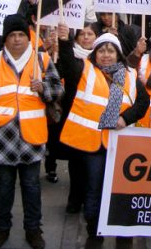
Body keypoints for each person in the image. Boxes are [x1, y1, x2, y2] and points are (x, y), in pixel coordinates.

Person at [0, 14, 63, 249]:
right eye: (12, 35)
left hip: (32, 136)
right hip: (2, 137)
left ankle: (34, 229)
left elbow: (58, 90)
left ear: (28, 36)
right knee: (4, 186)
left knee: (31, 186)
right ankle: (1, 229)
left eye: (21, 34)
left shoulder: (41, 60)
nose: (17, 40)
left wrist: (43, 88)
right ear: (5, 38)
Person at [58, 33, 149, 249]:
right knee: (94, 190)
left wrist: (124, 118)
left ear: (118, 54)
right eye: (101, 50)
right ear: (94, 54)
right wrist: (63, 41)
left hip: (121, 145)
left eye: (110, 51)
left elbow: (143, 102)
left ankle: (123, 237)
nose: (106, 55)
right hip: (93, 145)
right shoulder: (84, 70)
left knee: (121, 192)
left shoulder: (130, 74)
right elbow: (67, 62)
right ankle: (94, 234)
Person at [53, 21, 96, 214]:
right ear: (77, 38)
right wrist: (64, 41)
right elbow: (67, 61)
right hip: (75, 119)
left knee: (91, 164)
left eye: (90, 34)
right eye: (82, 34)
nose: (86, 37)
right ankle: (74, 200)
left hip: (96, 121)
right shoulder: (73, 59)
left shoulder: (103, 58)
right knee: (76, 163)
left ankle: (90, 200)